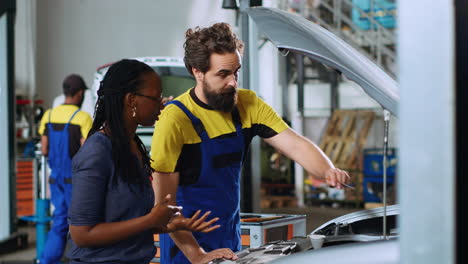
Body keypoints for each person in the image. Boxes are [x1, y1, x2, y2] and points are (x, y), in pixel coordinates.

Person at [150, 23, 351, 264]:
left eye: (236, 72)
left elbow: (295, 145)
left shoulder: (248, 104)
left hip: (229, 236)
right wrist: (198, 255)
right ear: (197, 72)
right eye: (223, 74)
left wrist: (328, 169)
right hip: (185, 245)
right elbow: (164, 206)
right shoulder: (175, 119)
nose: (233, 82)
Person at [66, 59, 221, 264]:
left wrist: (168, 225)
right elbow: (82, 234)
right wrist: (150, 220)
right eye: (156, 97)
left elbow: (126, 220)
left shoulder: (132, 146)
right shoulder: (97, 152)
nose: (163, 102)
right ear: (131, 100)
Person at [38, 74, 93, 264]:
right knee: (81, 224)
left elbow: (44, 149)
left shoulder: (49, 115)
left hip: (55, 179)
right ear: (79, 94)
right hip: (76, 181)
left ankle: (46, 261)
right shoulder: (83, 118)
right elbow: (88, 153)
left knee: (59, 221)